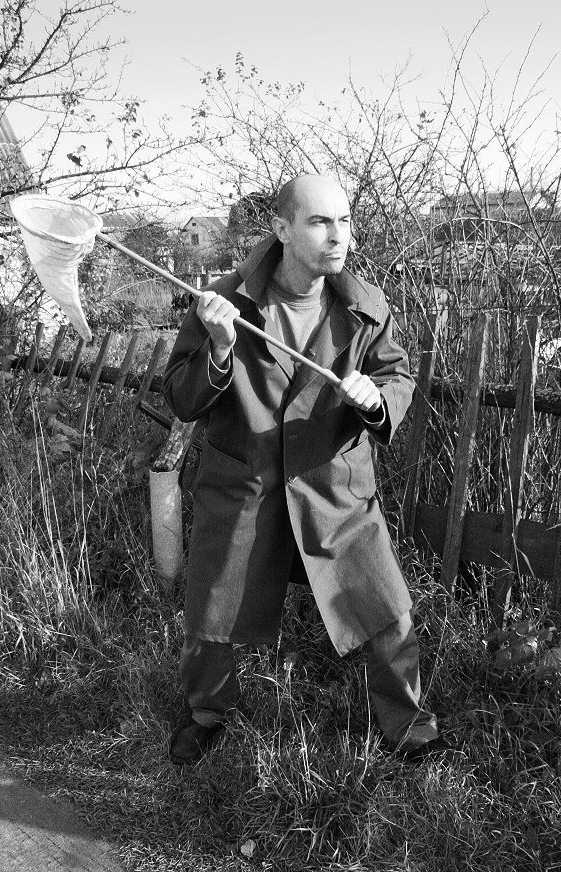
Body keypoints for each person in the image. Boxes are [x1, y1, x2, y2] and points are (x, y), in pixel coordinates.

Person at [162, 174, 444, 765]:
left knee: (386, 608)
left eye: (344, 221)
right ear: (283, 228)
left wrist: (376, 400)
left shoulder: (366, 307)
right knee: (212, 615)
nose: (338, 236)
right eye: (320, 222)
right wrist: (219, 349)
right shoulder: (224, 302)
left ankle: (408, 724)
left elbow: (397, 376)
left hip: (335, 487)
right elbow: (183, 398)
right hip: (245, 485)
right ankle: (206, 713)